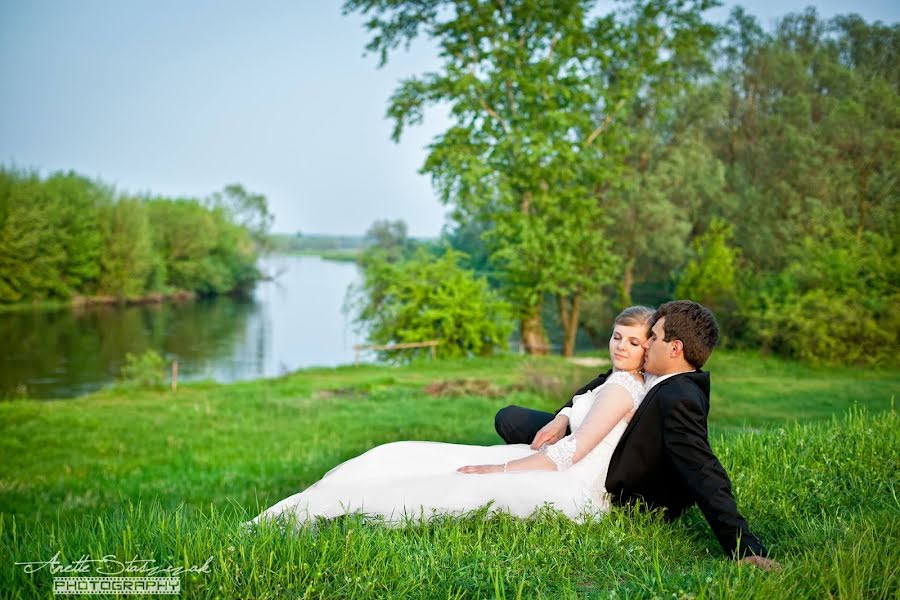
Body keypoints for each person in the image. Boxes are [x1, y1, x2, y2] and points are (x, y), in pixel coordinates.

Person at [246, 306, 654, 528]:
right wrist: (565, 413)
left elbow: (572, 453)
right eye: (617, 336)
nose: (620, 346)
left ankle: (328, 507)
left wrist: (504, 469)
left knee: (454, 482)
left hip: (569, 484)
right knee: (411, 454)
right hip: (559, 464)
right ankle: (322, 500)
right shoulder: (619, 381)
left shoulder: (621, 388)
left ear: (647, 349)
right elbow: (589, 415)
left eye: (633, 342)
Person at [495, 300, 779, 571]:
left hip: (622, 480)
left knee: (516, 443)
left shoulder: (679, 396)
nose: (645, 344)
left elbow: (702, 468)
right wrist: (563, 416)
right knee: (510, 419)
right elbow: (600, 383)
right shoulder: (659, 371)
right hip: (600, 437)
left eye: (653, 337)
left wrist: (743, 547)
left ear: (675, 348)